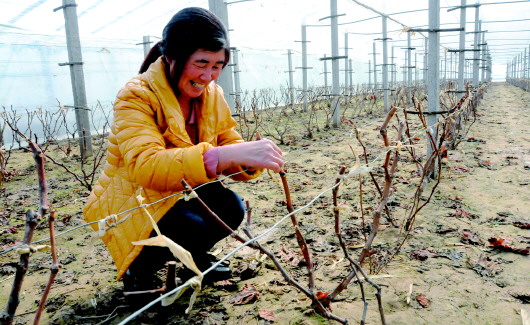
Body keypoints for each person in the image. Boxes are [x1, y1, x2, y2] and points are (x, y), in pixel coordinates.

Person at [83, 7, 283, 296]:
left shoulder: (212, 95)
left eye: (217, 66)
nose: (208, 76)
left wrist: (245, 157)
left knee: (230, 207)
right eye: (201, 63)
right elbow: (146, 166)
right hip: (136, 201)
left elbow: (228, 141)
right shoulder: (137, 94)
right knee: (189, 223)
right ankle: (139, 270)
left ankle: (193, 256)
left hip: (179, 191)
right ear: (172, 57)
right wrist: (225, 155)